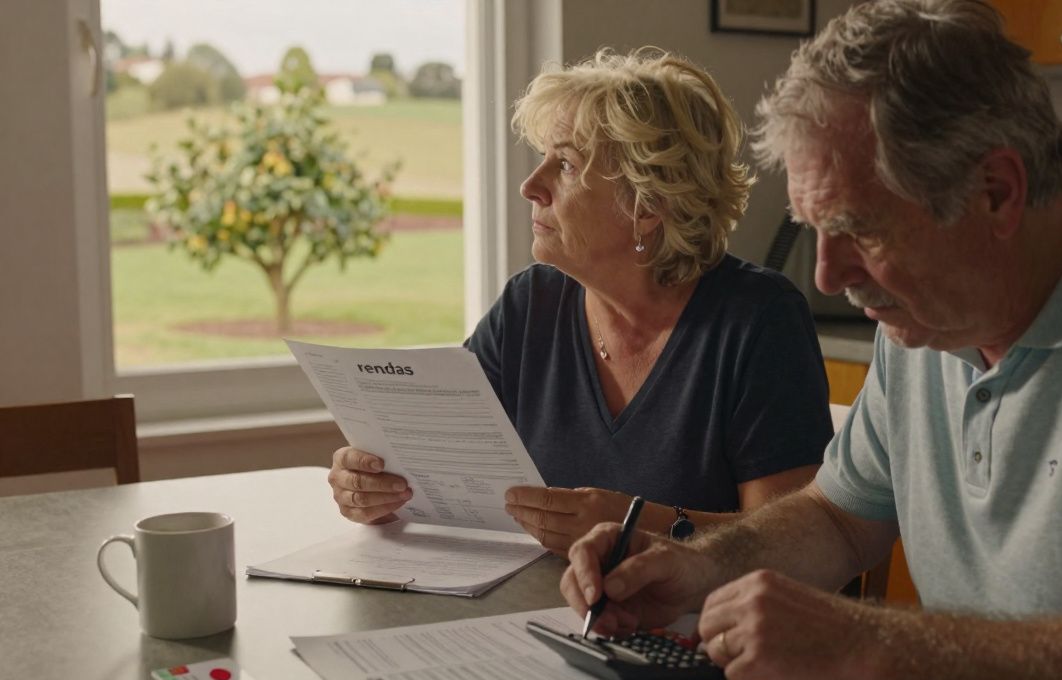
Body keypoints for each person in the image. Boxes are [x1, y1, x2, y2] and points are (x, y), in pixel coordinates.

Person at [560, 2, 1062, 680]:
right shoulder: (923, 321)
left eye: (857, 229)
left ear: (996, 192)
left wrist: (867, 641)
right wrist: (695, 567)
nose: (826, 274)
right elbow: (834, 519)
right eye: (816, 229)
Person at [327, 48, 834, 555]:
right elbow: (440, 473)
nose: (531, 186)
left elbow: (790, 547)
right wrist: (378, 485)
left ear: (647, 202)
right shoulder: (529, 306)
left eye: (565, 164)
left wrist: (635, 525)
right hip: (534, 614)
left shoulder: (760, 321)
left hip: (697, 629)